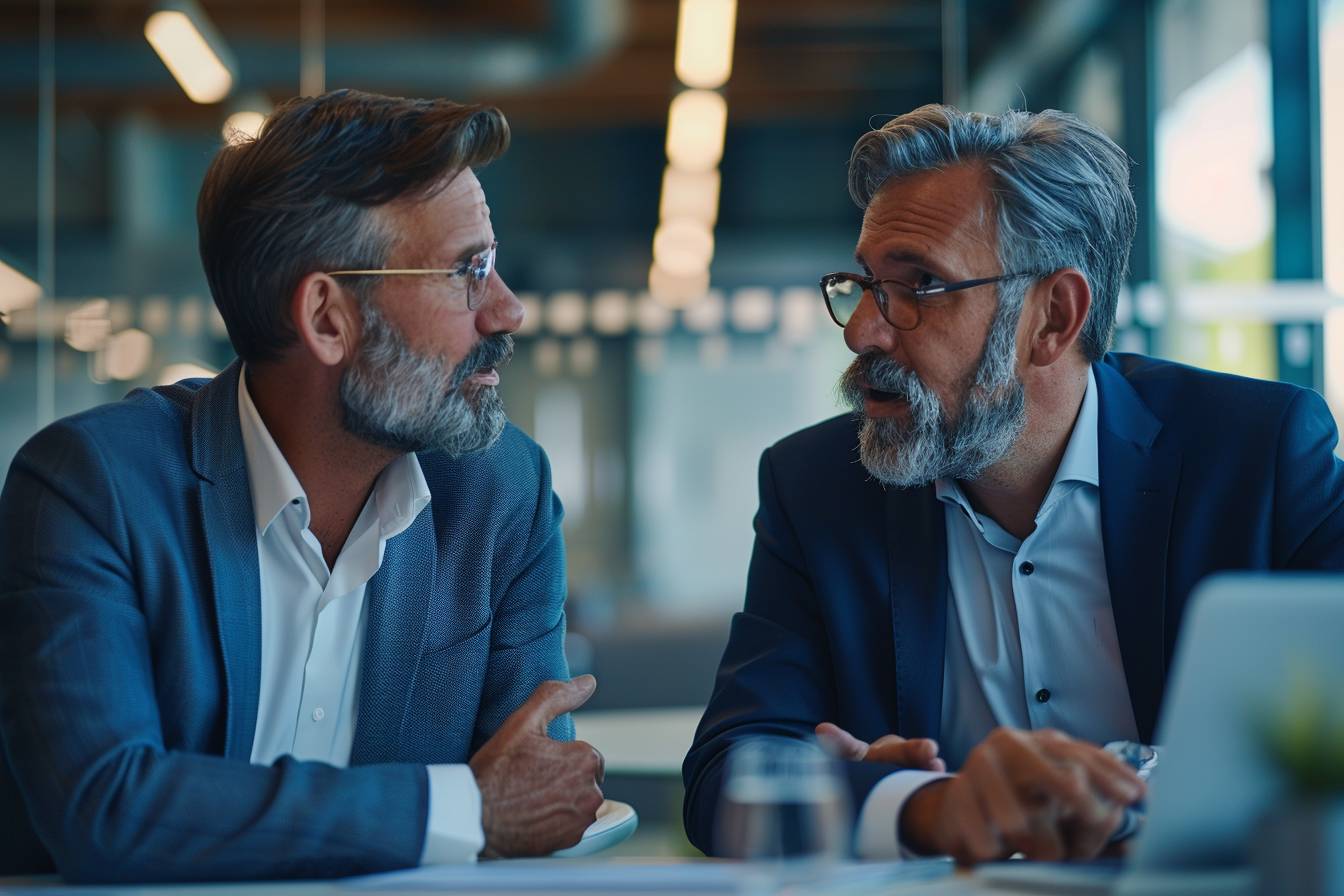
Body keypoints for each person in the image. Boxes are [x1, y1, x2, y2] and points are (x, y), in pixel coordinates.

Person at [683, 104, 1344, 864]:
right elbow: (727, 775)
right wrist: (931, 806)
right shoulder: (818, 488)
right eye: (863, 284)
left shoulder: (1256, 455)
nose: (864, 329)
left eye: (918, 286)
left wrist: (1131, 787)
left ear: (1053, 317)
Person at [0, 90, 604, 883]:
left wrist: (493, 812)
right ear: (326, 319)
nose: (509, 310)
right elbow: (109, 806)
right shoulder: (92, 491)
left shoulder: (503, 495)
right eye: (469, 270)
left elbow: (532, 808)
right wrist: (461, 811)